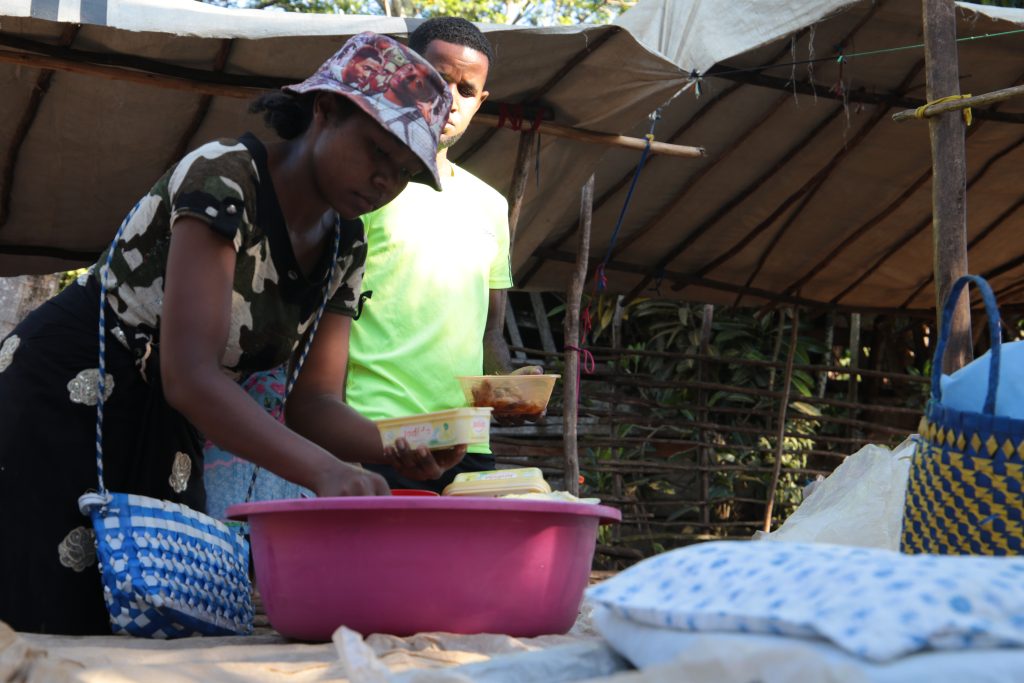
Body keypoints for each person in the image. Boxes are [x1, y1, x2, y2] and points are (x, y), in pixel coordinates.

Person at [0, 32, 453, 635]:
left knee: (161, 623)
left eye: (402, 173)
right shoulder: (226, 176)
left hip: (165, 424)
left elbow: (314, 404)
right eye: (376, 151)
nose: (383, 181)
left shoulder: (345, 242)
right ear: (324, 111)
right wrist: (324, 471)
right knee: (42, 616)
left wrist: (398, 444)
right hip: (69, 396)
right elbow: (190, 375)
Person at [347, 17, 543, 494]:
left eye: (466, 90)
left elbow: (490, 331)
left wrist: (508, 384)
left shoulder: (490, 205)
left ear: (481, 102)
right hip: (373, 433)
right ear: (407, 75)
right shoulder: (365, 188)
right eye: (438, 79)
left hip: (465, 441)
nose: (450, 99)